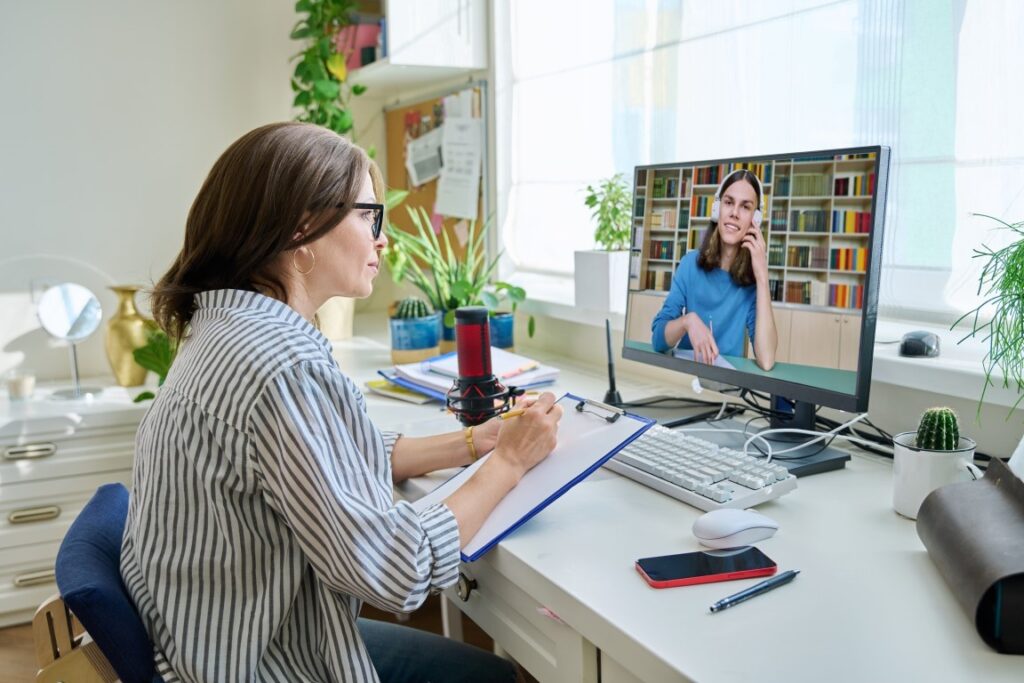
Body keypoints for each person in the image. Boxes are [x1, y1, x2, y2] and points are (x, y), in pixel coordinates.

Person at [120, 122, 562, 683]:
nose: (383, 240)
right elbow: (395, 570)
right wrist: (509, 463)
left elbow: (321, 459)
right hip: (261, 664)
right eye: (369, 216)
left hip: (210, 641)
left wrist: (473, 442)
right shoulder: (280, 364)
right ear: (303, 223)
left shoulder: (225, 328)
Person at [651, 168, 778, 371]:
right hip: (688, 382)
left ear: (756, 220)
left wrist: (762, 276)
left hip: (727, 391)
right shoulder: (689, 264)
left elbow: (767, 359)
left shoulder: (753, 282)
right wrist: (688, 322)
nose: (734, 213)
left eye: (745, 207)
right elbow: (658, 339)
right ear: (717, 209)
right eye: (728, 203)